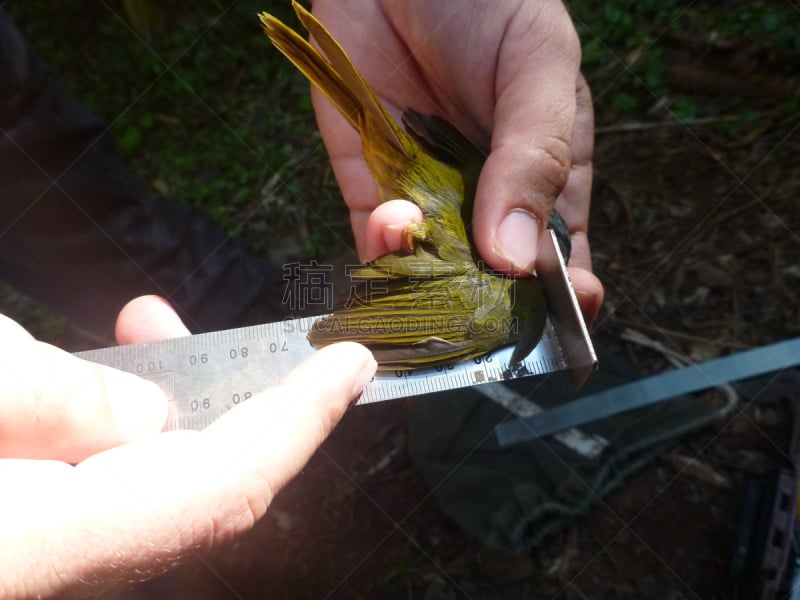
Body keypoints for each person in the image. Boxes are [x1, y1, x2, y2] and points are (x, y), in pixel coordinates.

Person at [0, 0, 603, 596]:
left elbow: (443, 164)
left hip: (428, 170)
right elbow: (418, 318)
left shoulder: (500, 268)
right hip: (422, 188)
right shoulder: (501, 313)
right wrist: (354, 338)